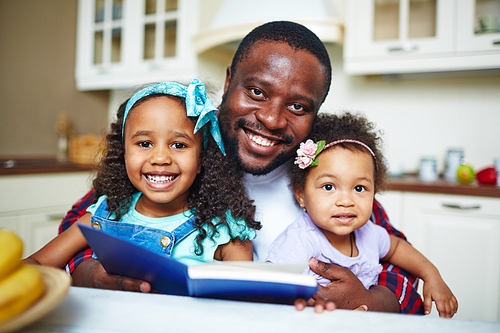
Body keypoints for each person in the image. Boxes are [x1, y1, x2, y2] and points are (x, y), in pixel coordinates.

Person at [58, 21, 424, 314]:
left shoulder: (326, 177)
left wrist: (378, 300)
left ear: (316, 114)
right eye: (257, 92)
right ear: (230, 79)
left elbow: (399, 264)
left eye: (298, 107)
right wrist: (88, 271)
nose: (271, 118)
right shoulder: (176, 158)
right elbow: (82, 224)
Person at [25, 80, 260, 269]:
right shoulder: (105, 213)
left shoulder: (226, 231)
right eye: (144, 143)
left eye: (179, 145)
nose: (160, 158)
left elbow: (244, 301)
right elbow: (38, 263)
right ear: (124, 154)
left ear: (201, 160)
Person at [267, 113, 458, 317]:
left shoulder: (369, 233)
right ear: (301, 195)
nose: (346, 201)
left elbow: (396, 247)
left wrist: (431, 274)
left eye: (359, 188)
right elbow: (272, 288)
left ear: (374, 193)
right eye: (329, 186)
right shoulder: (301, 239)